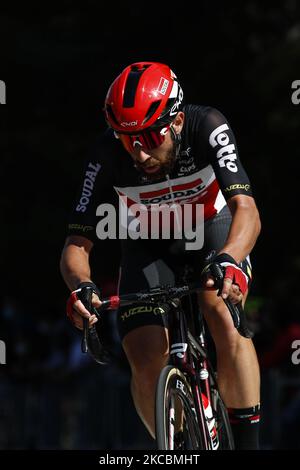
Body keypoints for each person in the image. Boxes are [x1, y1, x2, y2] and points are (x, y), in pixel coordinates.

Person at [60, 61, 261, 449]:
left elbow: (246, 209)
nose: (139, 153)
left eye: (151, 137)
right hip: (149, 244)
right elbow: (77, 244)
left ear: (178, 121)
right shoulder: (104, 155)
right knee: (143, 350)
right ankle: (176, 445)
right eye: (125, 137)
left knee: (219, 310)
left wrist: (232, 259)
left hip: (212, 232)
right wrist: (80, 286)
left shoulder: (208, 126)